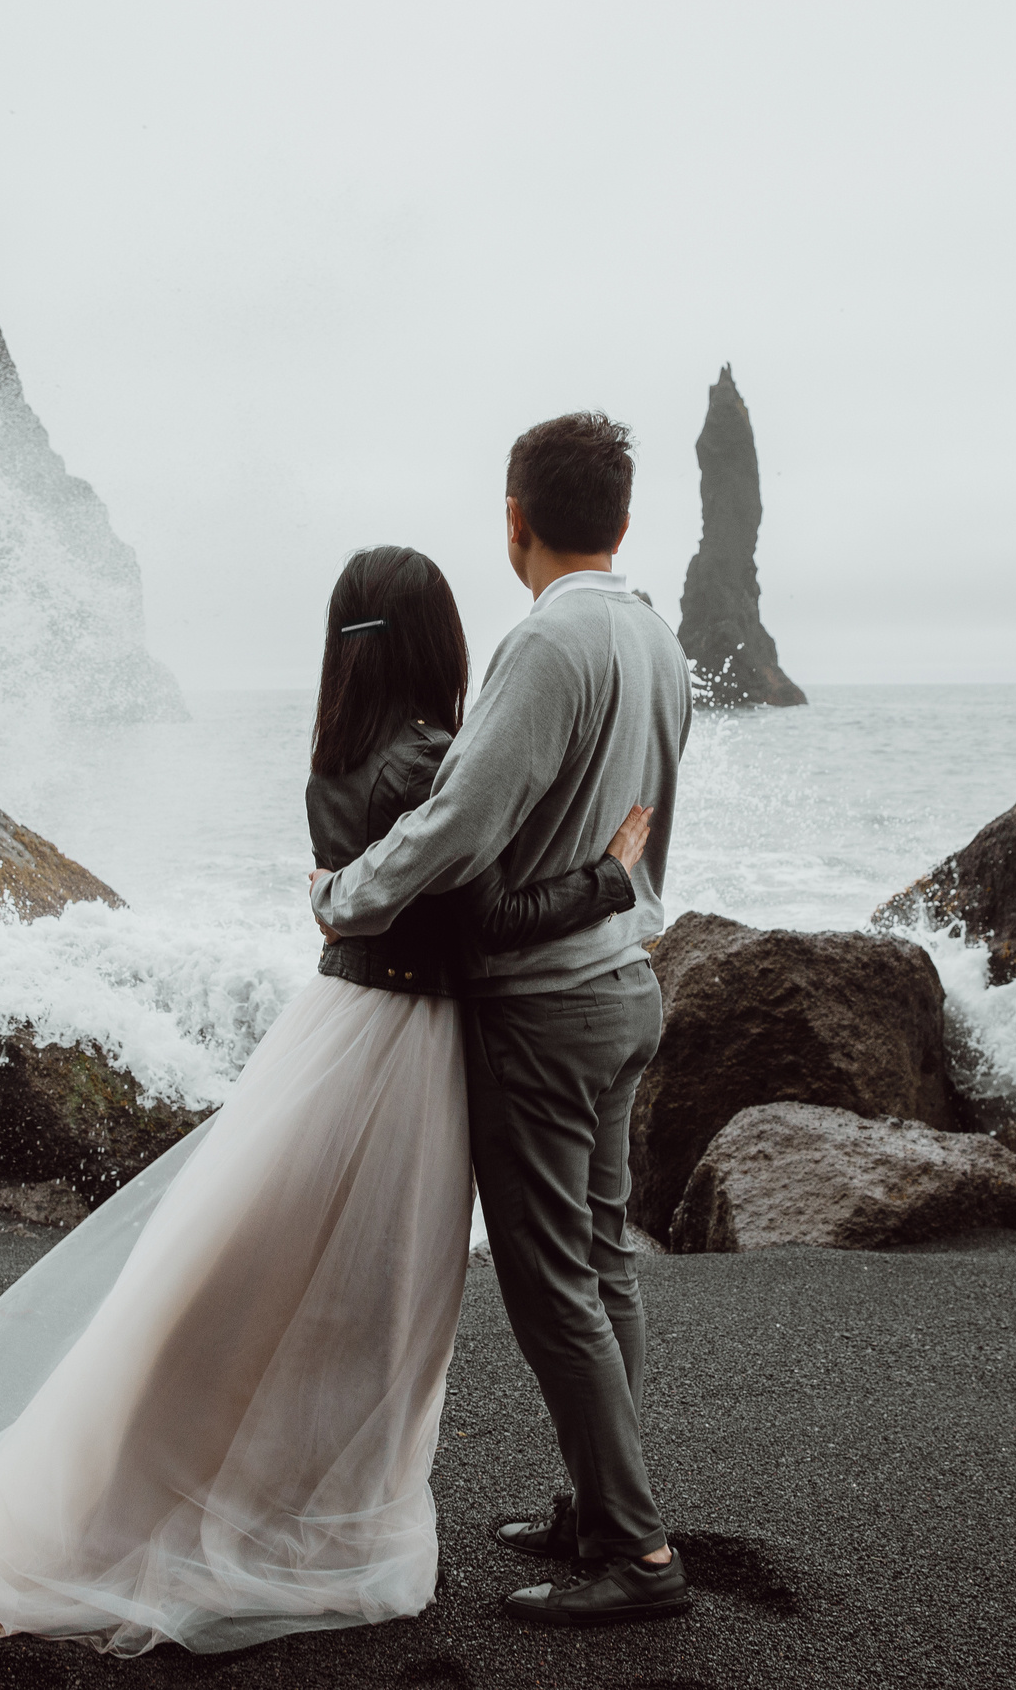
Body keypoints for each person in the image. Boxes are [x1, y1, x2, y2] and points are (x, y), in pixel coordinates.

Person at [0, 543, 650, 1658]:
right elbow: (487, 924)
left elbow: (373, 901)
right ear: (440, 643)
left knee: (262, 1282)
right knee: (372, 1310)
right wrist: (610, 877)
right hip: (410, 1051)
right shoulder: (432, 763)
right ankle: (317, 1527)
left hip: (335, 1030)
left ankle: (226, 1502)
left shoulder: (337, 757)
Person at [309, 410, 692, 1628]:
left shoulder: (546, 645)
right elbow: (643, 839)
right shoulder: (658, 643)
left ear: (515, 519)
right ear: (623, 520)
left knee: (551, 1292)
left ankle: (636, 1556)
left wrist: (343, 896)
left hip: (542, 1008)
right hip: (626, 985)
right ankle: (593, 1508)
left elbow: (457, 827)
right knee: (603, 1261)